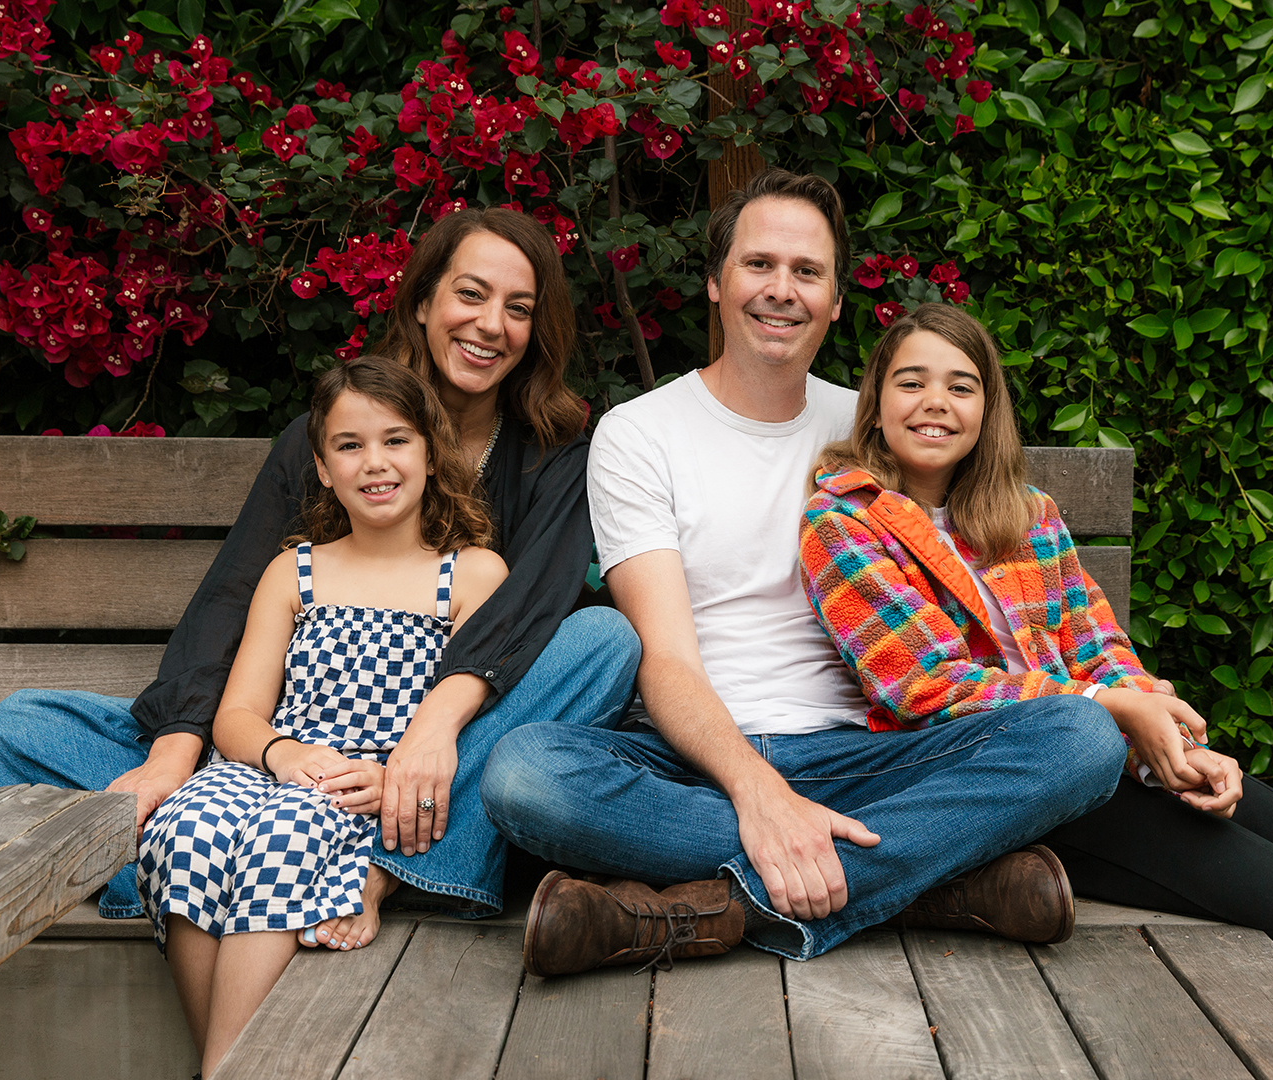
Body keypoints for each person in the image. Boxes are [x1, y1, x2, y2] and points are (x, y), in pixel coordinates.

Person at [480, 169, 1127, 977]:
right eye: (759, 265)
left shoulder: (873, 422)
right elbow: (668, 661)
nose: (780, 290)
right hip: (694, 765)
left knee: (1081, 737)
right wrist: (760, 797)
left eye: (807, 272)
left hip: (865, 756)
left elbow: (981, 572)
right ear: (715, 283)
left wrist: (1127, 698)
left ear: (836, 300)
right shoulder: (640, 433)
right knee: (525, 774)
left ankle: (720, 907)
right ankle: (918, 880)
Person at [798, 301, 1273, 1080]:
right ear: (876, 402)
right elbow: (922, 684)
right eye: (912, 382)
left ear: (987, 408)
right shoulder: (842, 522)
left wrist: (1176, 749)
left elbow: (1104, 652)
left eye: (961, 386)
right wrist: (1113, 712)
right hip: (1014, 786)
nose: (936, 401)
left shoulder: (1028, 515)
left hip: (1114, 764)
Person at [0, 207, 640, 928]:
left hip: (448, 751)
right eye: (471, 294)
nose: (491, 324)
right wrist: (177, 755)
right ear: (423, 302)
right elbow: (232, 599)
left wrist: (425, 738)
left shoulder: (555, 451)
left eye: (519, 309)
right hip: (301, 751)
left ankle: (393, 865)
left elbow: (535, 608)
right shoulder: (320, 440)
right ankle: (229, 848)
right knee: (24, 727)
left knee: (602, 640)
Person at [137, 357, 507, 1075]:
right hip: (271, 763)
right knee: (187, 825)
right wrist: (284, 755)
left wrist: (382, 772)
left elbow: (470, 716)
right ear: (322, 465)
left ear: (432, 453)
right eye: (350, 445)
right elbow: (237, 715)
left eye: (396, 441)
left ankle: (217, 1069)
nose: (376, 462)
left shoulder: (470, 573)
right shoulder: (295, 570)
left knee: (286, 827)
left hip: (368, 784)